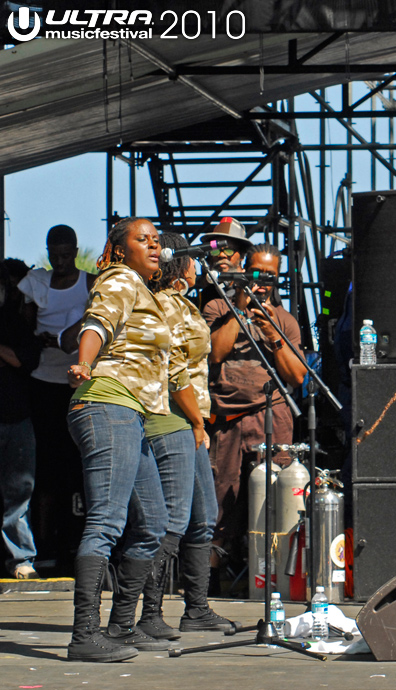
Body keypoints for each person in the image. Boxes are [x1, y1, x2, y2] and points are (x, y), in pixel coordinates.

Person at [66, 217, 172, 662]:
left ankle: (122, 626)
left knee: (152, 522)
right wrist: (84, 362)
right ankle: (83, 635)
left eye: (155, 240)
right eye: (141, 239)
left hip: (132, 412)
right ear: (120, 249)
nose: (152, 245)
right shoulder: (119, 279)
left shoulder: (148, 291)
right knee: (106, 521)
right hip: (106, 402)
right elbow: (97, 323)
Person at [137, 232, 236, 640]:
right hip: (173, 418)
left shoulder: (183, 303)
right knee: (174, 518)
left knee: (203, 515)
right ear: (182, 265)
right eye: (193, 261)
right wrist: (197, 422)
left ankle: (196, 608)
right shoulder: (164, 305)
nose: (199, 268)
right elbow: (173, 369)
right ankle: (148, 613)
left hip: (191, 419)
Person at [203, 243, 307, 592]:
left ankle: (272, 578)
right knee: (222, 499)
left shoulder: (285, 319)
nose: (261, 283)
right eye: (255, 274)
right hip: (228, 417)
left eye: (269, 277)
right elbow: (215, 352)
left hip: (271, 413)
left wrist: (272, 334)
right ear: (244, 269)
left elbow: (297, 377)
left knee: (277, 495)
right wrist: (239, 309)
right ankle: (211, 583)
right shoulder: (218, 306)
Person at [18, 225, 96, 573]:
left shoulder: (90, 283)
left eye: (67, 254)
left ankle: (75, 539)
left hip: (77, 383)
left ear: (75, 250)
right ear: (48, 252)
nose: (61, 261)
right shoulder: (36, 283)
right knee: (45, 471)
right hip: (43, 382)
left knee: (75, 466)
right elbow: (23, 329)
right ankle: (45, 542)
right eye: (55, 255)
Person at [0, 258, 41, 579]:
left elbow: (25, 360)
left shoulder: (12, 323)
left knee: (18, 489)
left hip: (14, 414)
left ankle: (20, 557)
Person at [197, 217, 253, 309]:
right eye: (215, 250)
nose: (222, 255)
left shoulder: (254, 288)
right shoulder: (206, 294)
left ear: (242, 255)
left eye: (229, 250)